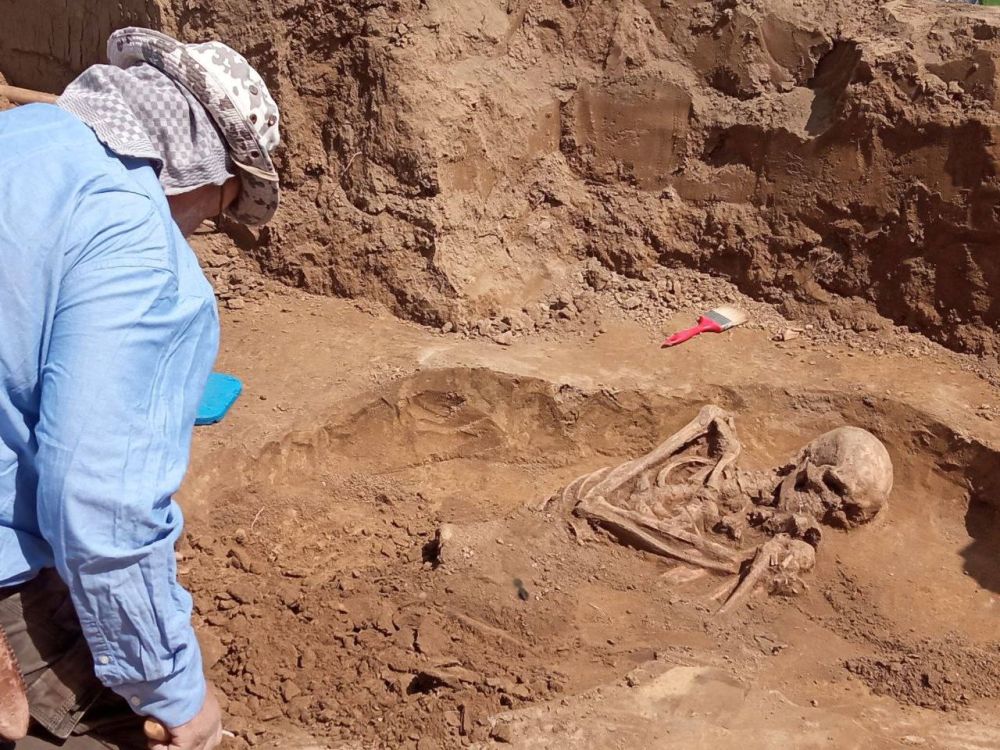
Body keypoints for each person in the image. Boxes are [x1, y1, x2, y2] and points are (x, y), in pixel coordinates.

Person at [0, 27, 281, 749]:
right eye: (217, 211)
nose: (197, 230)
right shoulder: (143, 253)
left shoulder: (20, 139)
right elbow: (100, 503)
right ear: (211, 176)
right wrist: (176, 693)